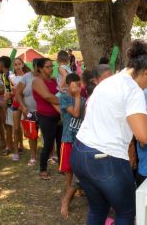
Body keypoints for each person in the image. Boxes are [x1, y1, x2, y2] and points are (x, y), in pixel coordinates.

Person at [71, 39, 147, 224]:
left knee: (98, 209)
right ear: (146, 72)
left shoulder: (108, 82)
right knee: (126, 212)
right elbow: (143, 136)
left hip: (80, 153)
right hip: (106, 159)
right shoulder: (133, 89)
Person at [58, 73, 85, 219]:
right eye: (74, 85)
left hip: (80, 140)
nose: (77, 88)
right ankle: (67, 197)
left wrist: (80, 97)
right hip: (68, 138)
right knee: (68, 170)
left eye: (79, 85)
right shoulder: (64, 98)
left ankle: (78, 189)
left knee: (78, 167)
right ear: (67, 86)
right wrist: (76, 96)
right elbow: (75, 114)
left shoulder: (83, 98)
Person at [32, 58, 62, 180]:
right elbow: (48, 97)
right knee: (48, 144)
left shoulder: (54, 80)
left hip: (58, 115)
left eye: (52, 66)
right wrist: (63, 101)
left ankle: (62, 166)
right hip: (46, 117)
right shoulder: (37, 81)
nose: (51, 68)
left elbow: (61, 92)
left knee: (61, 142)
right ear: (40, 68)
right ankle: (43, 169)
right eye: (48, 66)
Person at [16, 58, 39, 166]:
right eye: (37, 67)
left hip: (44, 112)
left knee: (48, 134)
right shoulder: (26, 77)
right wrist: (23, 107)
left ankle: (51, 154)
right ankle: (33, 156)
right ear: (34, 66)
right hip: (29, 112)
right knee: (31, 135)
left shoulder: (45, 77)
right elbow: (18, 93)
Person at [0, 56, 15, 159]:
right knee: (10, 126)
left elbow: (14, 88)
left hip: (12, 105)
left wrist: (6, 100)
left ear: (1, 64)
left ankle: (10, 147)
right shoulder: (5, 75)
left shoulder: (10, 75)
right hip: (9, 104)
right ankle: (12, 146)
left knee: (10, 127)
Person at [11, 58, 27, 160]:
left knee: (28, 128)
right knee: (16, 128)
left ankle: (32, 153)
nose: (17, 66)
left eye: (19, 64)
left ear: (23, 64)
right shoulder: (12, 78)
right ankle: (16, 151)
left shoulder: (27, 76)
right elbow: (13, 92)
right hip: (16, 104)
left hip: (26, 104)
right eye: (15, 64)